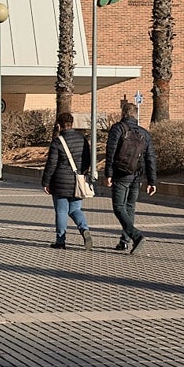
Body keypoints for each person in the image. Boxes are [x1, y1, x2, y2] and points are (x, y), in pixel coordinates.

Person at [103, 103, 157, 254]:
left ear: (123, 113)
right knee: (130, 207)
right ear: (135, 114)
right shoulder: (144, 133)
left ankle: (136, 236)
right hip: (137, 176)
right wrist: (152, 181)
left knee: (119, 207)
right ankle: (124, 241)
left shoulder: (118, 129)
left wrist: (108, 173)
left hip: (121, 174)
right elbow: (151, 158)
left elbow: (111, 152)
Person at [40, 112, 94, 249]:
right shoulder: (82, 139)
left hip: (59, 182)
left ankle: (60, 240)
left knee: (62, 211)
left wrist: (46, 182)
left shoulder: (57, 142)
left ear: (59, 125)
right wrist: (83, 173)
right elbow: (88, 160)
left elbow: (51, 164)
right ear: (72, 123)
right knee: (76, 209)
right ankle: (84, 229)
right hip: (78, 181)